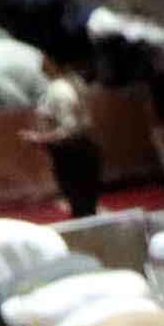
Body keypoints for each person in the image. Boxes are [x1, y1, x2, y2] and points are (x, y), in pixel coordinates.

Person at [33, 62, 101, 219]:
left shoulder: (58, 89)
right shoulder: (77, 81)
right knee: (87, 206)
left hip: (70, 152)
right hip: (85, 147)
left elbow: (69, 129)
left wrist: (40, 138)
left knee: (80, 206)